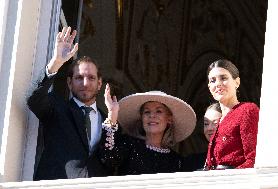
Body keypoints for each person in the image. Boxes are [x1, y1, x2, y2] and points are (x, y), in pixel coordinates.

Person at [27, 26, 111, 180]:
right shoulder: (56, 107)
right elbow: (34, 99)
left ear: (99, 84)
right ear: (69, 83)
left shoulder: (109, 122)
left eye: (91, 78)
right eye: (79, 78)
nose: (85, 83)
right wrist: (55, 63)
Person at [98, 84, 196, 175]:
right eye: (147, 112)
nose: (152, 116)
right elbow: (107, 158)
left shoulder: (177, 161)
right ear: (141, 118)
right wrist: (112, 115)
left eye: (159, 111)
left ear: (169, 119)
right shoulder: (129, 145)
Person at [204, 59, 259, 170]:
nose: (218, 84)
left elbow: (254, 159)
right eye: (213, 80)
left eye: (223, 78)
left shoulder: (247, 110)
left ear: (236, 82)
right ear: (209, 87)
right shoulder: (219, 120)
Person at [182, 103, 222, 171]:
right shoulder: (192, 162)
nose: (209, 128)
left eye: (215, 123)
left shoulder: (238, 157)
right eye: (206, 124)